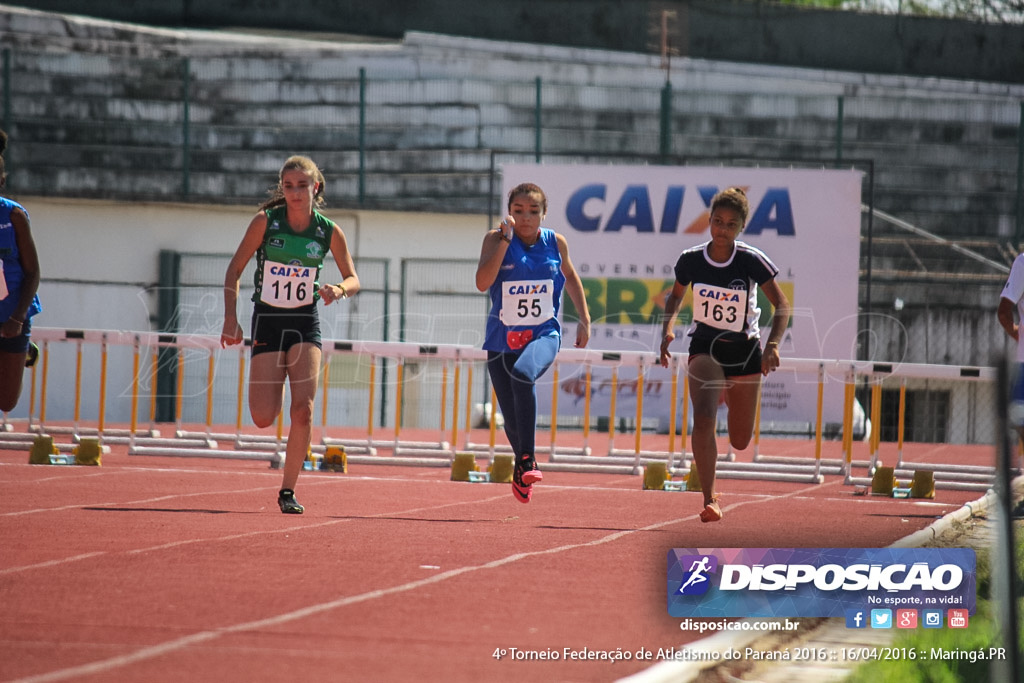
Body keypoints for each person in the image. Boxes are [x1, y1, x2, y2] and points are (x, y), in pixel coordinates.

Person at [221, 156, 359, 514]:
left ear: (316, 187)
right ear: (282, 189)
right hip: (267, 318)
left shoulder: (328, 230)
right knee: (263, 416)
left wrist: (339, 290)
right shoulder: (265, 222)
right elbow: (234, 270)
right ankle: (274, 385)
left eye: (302, 185)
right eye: (288, 186)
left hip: (304, 321)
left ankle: (287, 491)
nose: (295, 192)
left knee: (304, 410)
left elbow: (354, 278)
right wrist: (230, 319)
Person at [659, 187, 790, 523]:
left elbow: (782, 305)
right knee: (703, 417)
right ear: (709, 222)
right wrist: (667, 329)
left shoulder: (750, 260)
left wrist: (772, 345)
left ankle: (735, 393)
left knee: (741, 440)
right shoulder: (691, 260)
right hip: (705, 347)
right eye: (717, 221)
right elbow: (674, 297)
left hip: (745, 351)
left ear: (740, 228)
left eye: (730, 225)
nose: (722, 229)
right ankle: (710, 497)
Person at [475, 183, 590, 503]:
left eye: (533, 212)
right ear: (509, 212)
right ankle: (521, 469)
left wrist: (584, 317)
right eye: (518, 211)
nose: (526, 218)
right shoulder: (494, 238)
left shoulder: (556, 242)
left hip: (543, 333)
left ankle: (527, 459)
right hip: (500, 340)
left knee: (523, 375)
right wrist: (504, 243)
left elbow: (570, 275)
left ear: (544, 214)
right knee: (511, 420)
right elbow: (483, 283)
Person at [0, 128, 42, 413]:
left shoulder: (14, 216)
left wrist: (17, 318)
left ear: (1, 181)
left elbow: (33, 273)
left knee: (6, 402)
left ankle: (25, 348)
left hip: (12, 314)